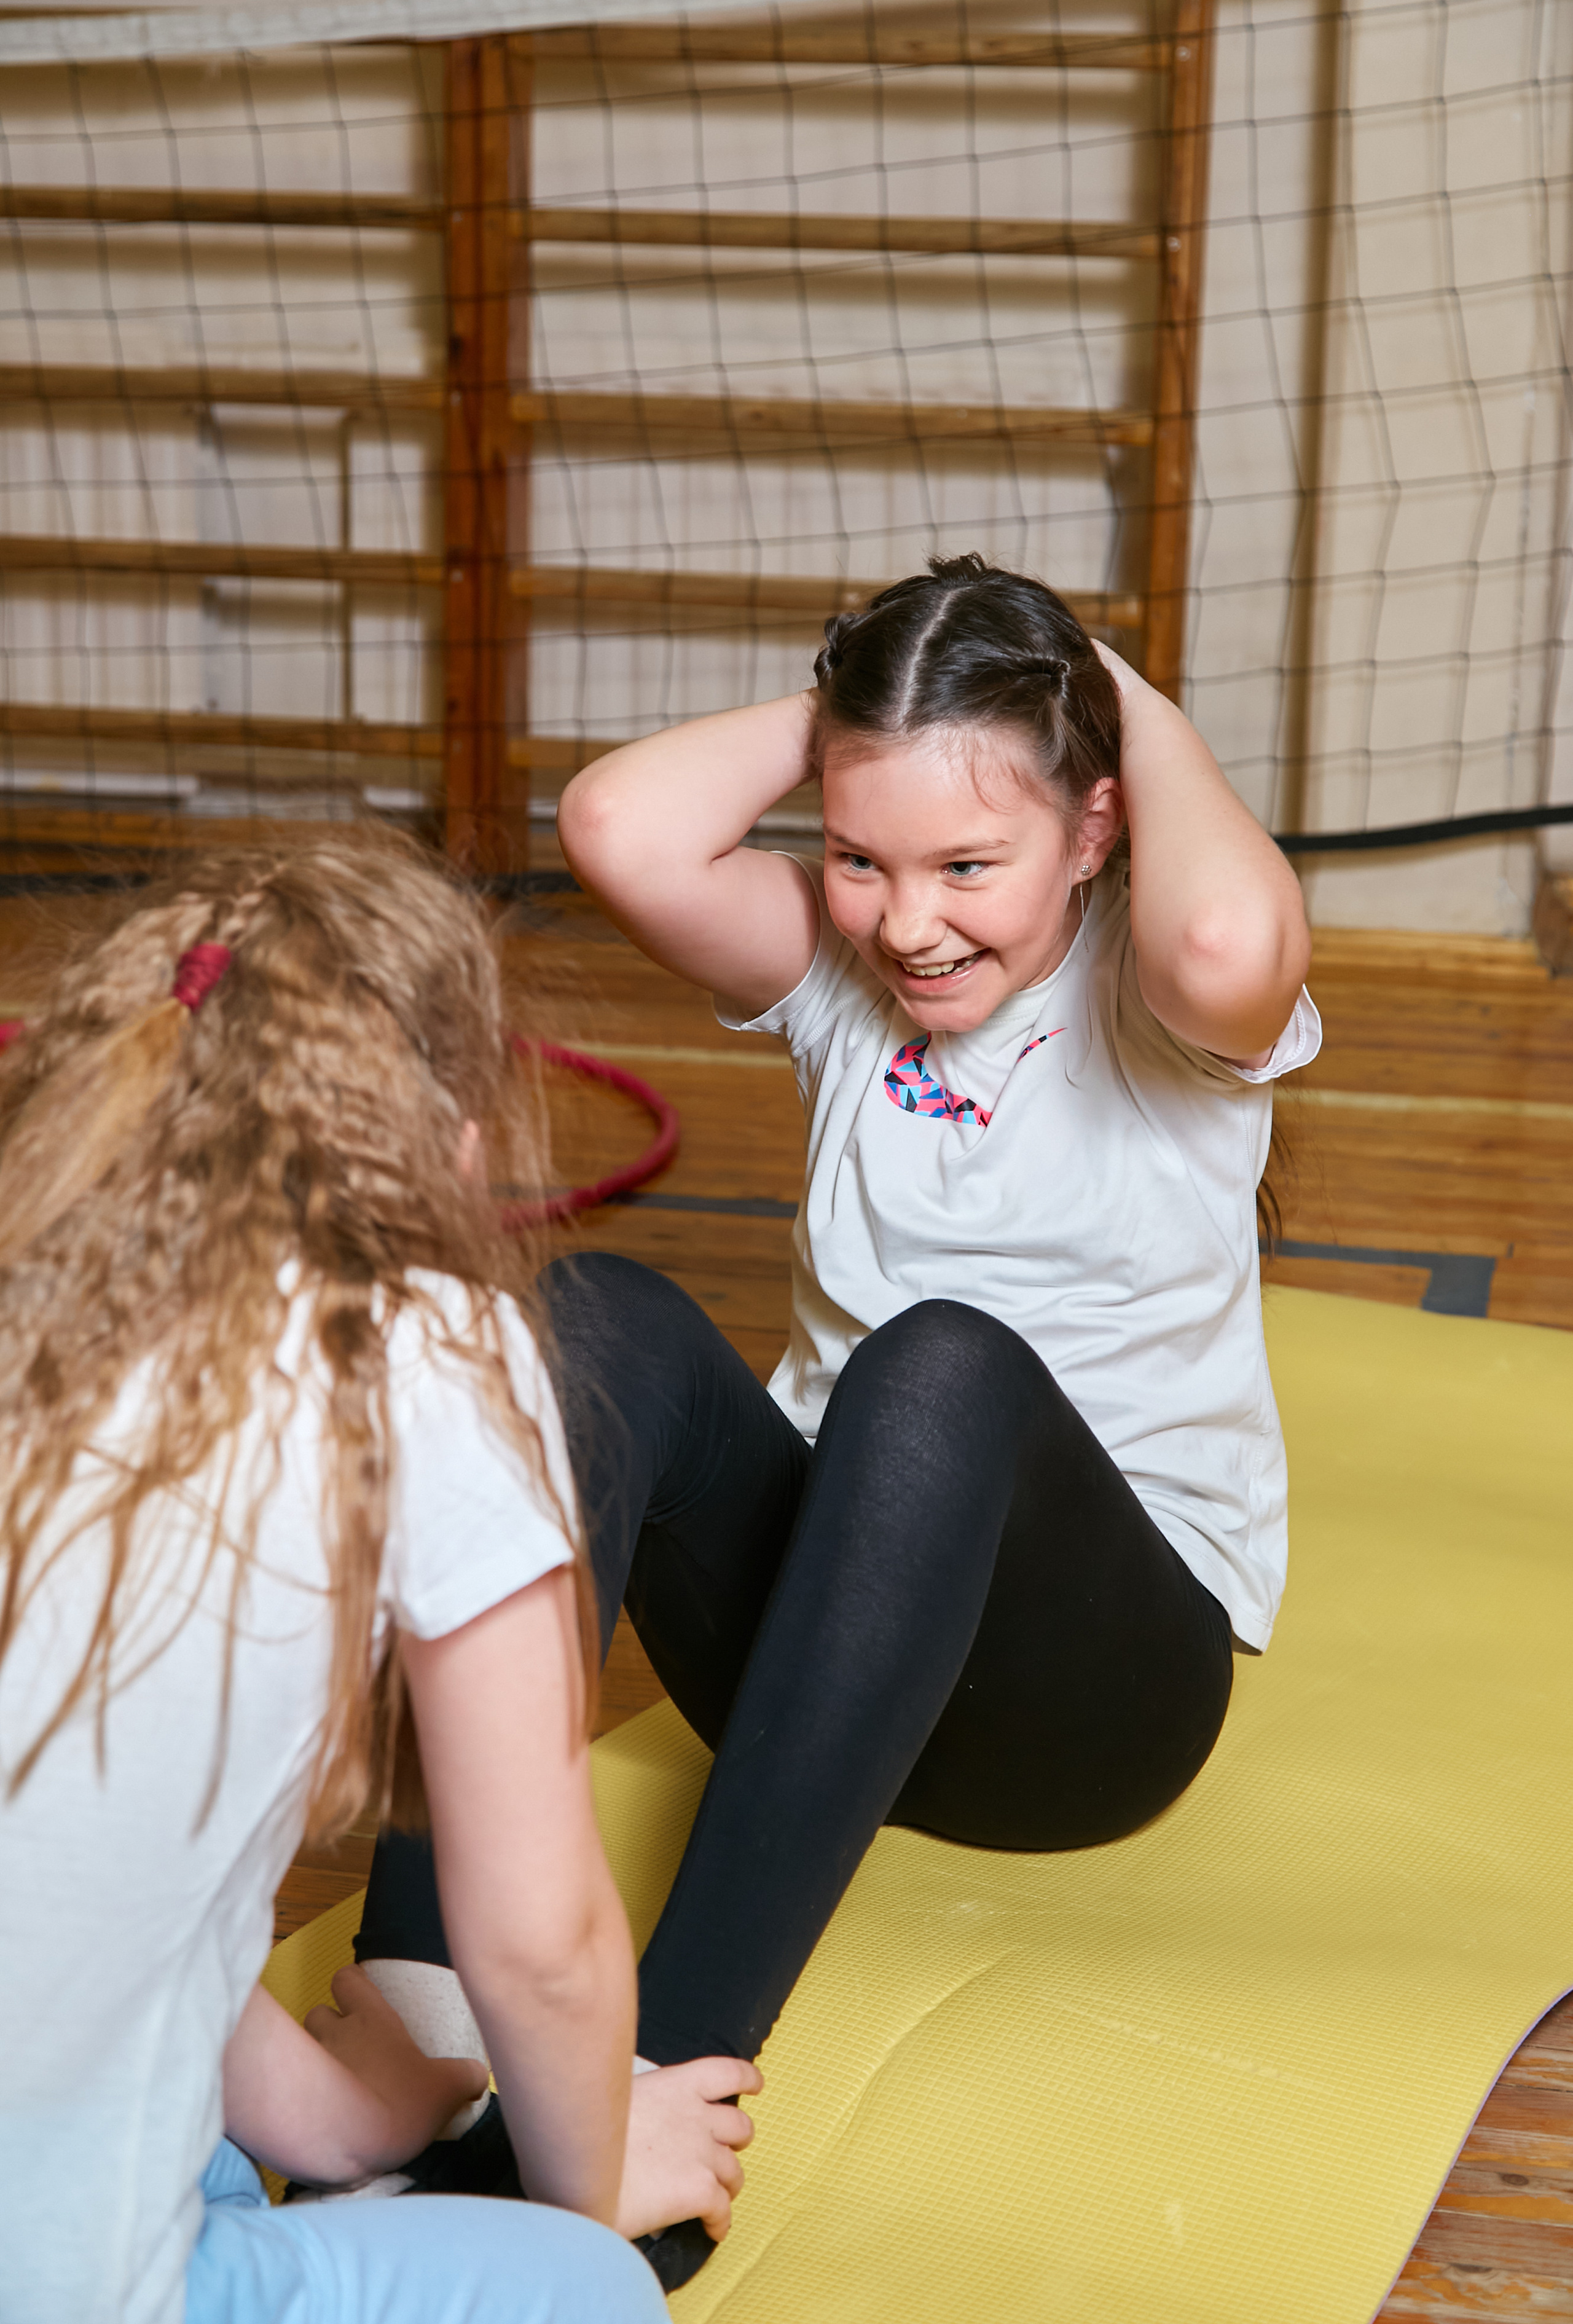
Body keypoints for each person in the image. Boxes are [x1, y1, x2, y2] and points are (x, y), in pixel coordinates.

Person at [353, 554, 1319, 2291]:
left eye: (972, 863)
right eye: (862, 859)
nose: (913, 920)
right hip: (819, 1666)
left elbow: (1231, 931)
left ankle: (655, 2107)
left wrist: (1092, 675)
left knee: (936, 1361)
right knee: (601, 1314)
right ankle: (409, 2028)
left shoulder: (1167, 1005)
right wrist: (885, 723)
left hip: (1088, 1708)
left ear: (1095, 830)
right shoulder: (843, 981)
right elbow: (620, 825)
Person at [0, 833, 754, 2324]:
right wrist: (593, 2200)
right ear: (456, 1146)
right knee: (587, 2298)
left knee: (222, 2151)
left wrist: (344, 2122)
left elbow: (92, 1895)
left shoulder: (36, 1305)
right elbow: (538, 1945)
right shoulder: (422, 1352)